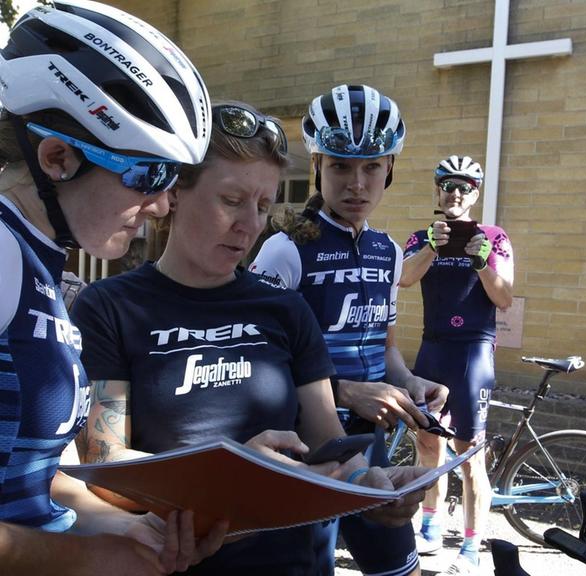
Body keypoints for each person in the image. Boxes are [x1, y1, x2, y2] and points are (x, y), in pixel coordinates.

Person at [71, 101, 429, 576]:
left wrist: (370, 485)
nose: (251, 225)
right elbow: (104, 464)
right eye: (232, 200)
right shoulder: (108, 307)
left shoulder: (284, 309)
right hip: (167, 561)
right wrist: (231, 474)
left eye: (263, 205)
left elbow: (328, 437)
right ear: (176, 191)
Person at [0, 2, 229, 574]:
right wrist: (82, 559)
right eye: (148, 174)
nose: (160, 205)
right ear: (58, 158)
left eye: (173, 182)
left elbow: (32, 479)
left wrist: (135, 529)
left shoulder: (39, 262)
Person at [251, 84, 449, 576]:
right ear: (318, 166)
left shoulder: (387, 252)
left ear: (390, 170)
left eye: (372, 167)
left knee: (400, 571)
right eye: (340, 166)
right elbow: (254, 361)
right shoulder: (285, 248)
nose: (357, 184)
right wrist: (346, 391)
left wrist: (412, 384)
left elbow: (387, 352)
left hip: (371, 443)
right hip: (306, 446)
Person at [399, 155, 514, 576]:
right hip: (433, 350)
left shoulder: (494, 237)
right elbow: (405, 279)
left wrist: (482, 262)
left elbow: (504, 298)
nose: (456, 193)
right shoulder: (422, 236)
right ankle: (430, 526)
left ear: (476, 193)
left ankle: (471, 546)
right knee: (428, 444)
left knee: (470, 457)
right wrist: (431, 244)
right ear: (437, 190)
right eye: (448, 185)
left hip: (473, 353)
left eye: (465, 186)